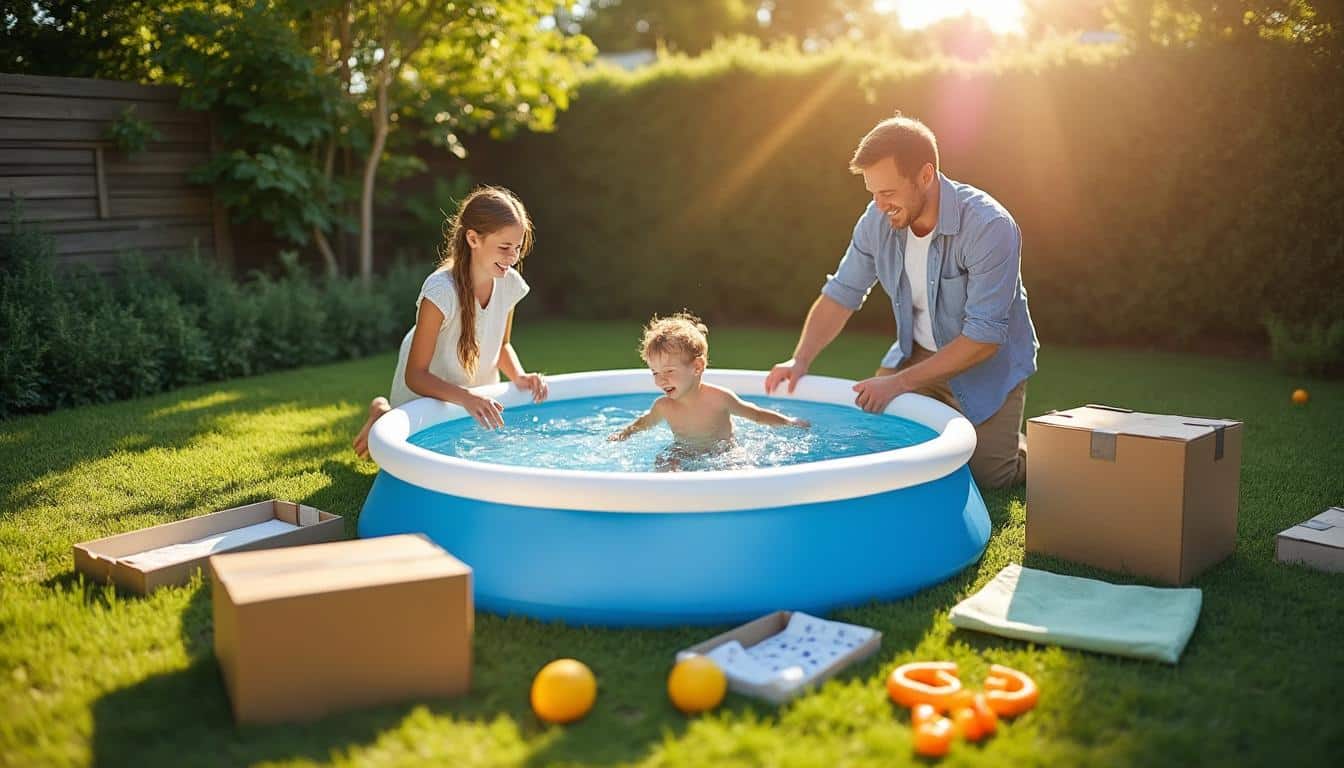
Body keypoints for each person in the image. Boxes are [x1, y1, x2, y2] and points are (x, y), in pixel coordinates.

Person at [764, 114, 1038, 489]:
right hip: (916, 354)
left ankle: (1032, 448)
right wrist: (801, 359)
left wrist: (898, 384)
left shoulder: (990, 227)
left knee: (989, 477)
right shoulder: (876, 220)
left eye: (888, 193)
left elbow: (984, 338)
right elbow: (841, 294)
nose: (879, 205)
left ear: (926, 176)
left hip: (985, 367)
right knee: (880, 450)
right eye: (873, 193)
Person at [353, 186, 548, 459]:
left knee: (484, 456)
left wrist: (519, 376)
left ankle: (386, 415)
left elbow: (501, 345)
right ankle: (383, 411)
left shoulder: (509, 284)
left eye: (517, 248)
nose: (512, 257)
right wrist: (467, 397)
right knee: (413, 460)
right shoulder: (440, 291)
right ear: (473, 238)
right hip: (427, 393)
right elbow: (416, 375)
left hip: (471, 393)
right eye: (504, 247)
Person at [609, 312, 809, 464]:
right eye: (655, 373)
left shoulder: (719, 398)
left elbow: (755, 414)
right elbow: (644, 422)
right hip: (683, 450)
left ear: (697, 367)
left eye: (669, 371)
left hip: (722, 452)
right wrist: (624, 434)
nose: (661, 380)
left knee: (737, 465)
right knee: (664, 461)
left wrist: (789, 422)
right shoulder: (663, 406)